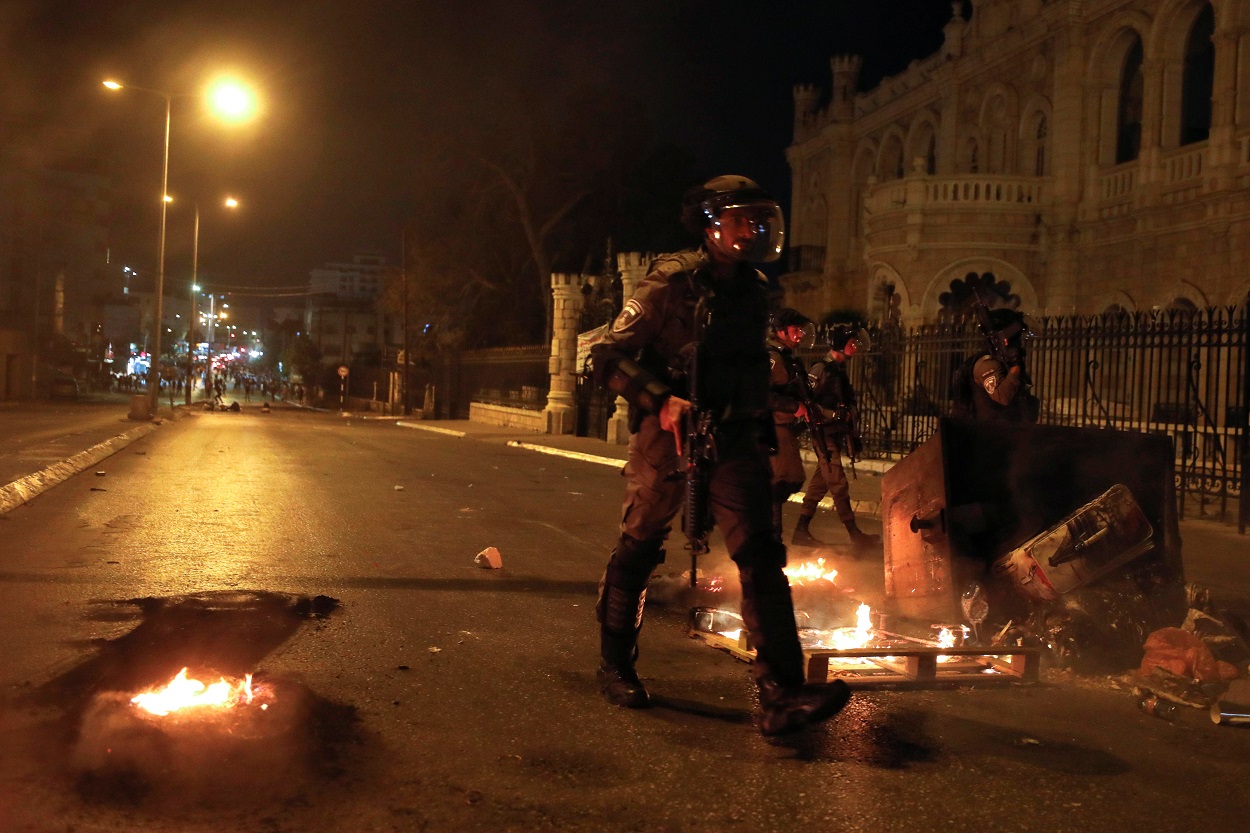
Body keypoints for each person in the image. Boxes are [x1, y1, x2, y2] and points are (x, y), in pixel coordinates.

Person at [589, 175, 852, 736]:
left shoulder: (755, 290)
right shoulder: (669, 283)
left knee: (761, 557)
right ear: (710, 224)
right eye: (739, 219)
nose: (751, 230)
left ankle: (782, 692)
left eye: (758, 219)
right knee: (638, 548)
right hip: (670, 435)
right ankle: (616, 665)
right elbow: (606, 357)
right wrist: (661, 400)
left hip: (734, 439)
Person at [791, 326, 881, 553]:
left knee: (821, 483)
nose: (855, 346)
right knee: (838, 484)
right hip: (824, 435)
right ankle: (854, 535)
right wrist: (832, 415)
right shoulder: (821, 369)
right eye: (851, 342)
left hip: (834, 434)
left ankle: (801, 530)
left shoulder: (838, 369)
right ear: (840, 344)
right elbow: (806, 402)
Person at [766, 308, 815, 542]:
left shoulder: (787, 357)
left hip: (785, 429)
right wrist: (793, 407)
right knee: (778, 484)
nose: (800, 335)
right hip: (773, 428)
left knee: (793, 479)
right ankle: (771, 540)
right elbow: (762, 395)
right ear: (782, 331)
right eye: (796, 330)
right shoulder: (772, 357)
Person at [952, 308, 1039, 422]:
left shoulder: (1005, 363)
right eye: (1018, 337)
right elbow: (1003, 397)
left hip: (1007, 434)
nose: (1021, 342)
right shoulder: (986, 364)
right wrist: (1015, 367)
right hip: (984, 435)